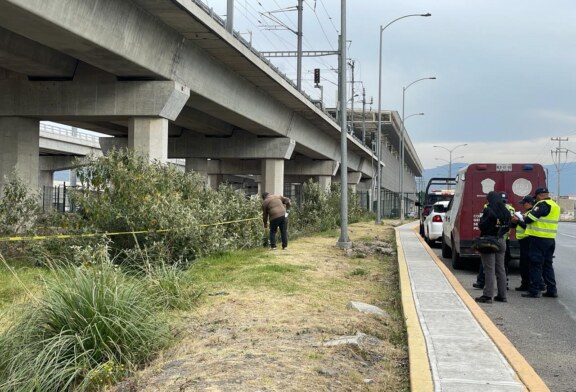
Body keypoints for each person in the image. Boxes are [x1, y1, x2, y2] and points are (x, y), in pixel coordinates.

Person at [514, 187, 560, 298]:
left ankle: (534, 290)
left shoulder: (542, 204)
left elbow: (529, 219)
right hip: (550, 239)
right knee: (547, 265)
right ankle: (552, 290)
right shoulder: (555, 205)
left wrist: (520, 219)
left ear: (539, 196)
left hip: (539, 239)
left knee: (535, 264)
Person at [472, 191, 515, 290]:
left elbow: (483, 225)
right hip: (502, 240)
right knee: (501, 269)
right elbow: (512, 225)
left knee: (489, 269)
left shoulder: (489, 210)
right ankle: (502, 294)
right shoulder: (507, 211)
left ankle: (488, 295)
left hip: (490, 241)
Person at [513, 195, 535, 291]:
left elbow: (527, 226)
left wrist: (518, 221)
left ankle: (527, 285)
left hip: (527, 240)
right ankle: (526, 284)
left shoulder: (531, 213)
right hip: (524, 240)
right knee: (524, 264)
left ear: (530, 203)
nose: (523, 206)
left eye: (524, 204)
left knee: (525, 264)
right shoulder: (527, 213)